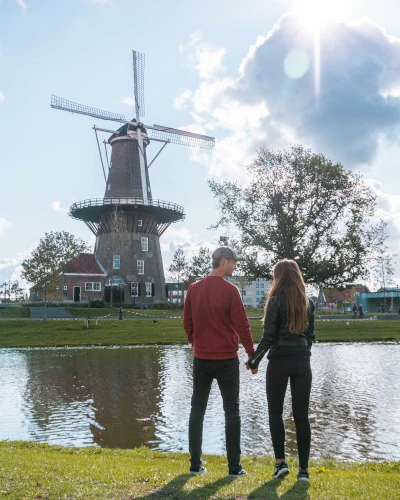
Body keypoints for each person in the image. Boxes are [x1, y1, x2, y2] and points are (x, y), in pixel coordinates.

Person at [183, 247, 257, 477]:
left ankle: (195, 465)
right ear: (223, 261)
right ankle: (234, 468)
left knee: (197, 409)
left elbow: (187, 323)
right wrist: (251, 355)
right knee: (232, 411)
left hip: (201, 359)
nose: (235, 267)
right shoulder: (230, 291)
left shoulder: (194, 289)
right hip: (226, 360)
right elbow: (242, 326)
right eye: (233, 263)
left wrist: (196, 344)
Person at [247, 259, 315, 482]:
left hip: (279, 362)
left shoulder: (275, 301)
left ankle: (280, 464)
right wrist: (303, 355)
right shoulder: (308, 303)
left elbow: (268, 339)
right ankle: (303, 471)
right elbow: (310, 337)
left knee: (275, 413)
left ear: (278, 277)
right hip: (302, 361)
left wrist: (254, 361)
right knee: (301, 416)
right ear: (297, 275)